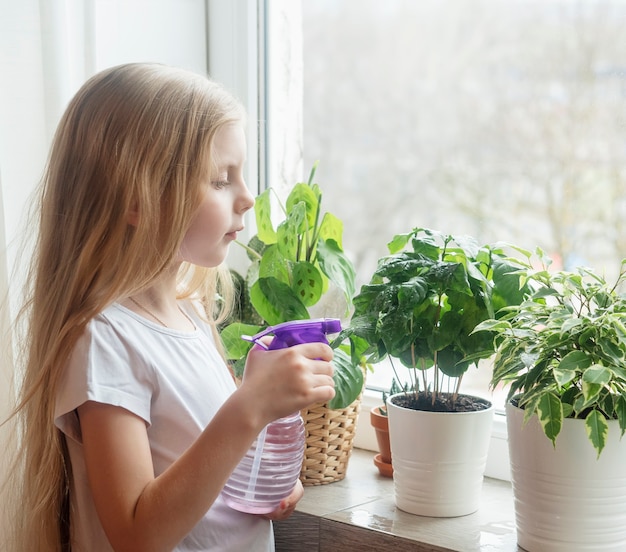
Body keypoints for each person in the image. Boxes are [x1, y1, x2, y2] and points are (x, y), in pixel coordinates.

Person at [5, 62, 335, 552]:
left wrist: (266, 481)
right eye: (221, 180)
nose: (247, 198)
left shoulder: (191, 315)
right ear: (137, 199)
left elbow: (199, 462)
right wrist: (249, 406)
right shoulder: (104, 341)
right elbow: (138, 533)